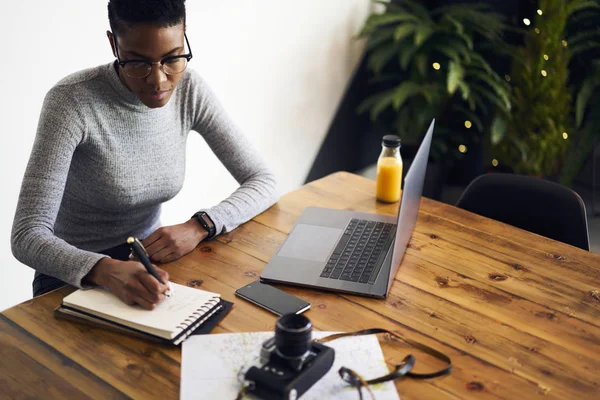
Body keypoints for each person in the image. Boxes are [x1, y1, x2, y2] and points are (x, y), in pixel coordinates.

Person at [11, 0, 278, 310]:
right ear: (114, 44)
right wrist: (106, 270)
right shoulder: (71, 102)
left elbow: (263, 181)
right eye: (138, 63)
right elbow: (27, 235)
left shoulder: (189, 89)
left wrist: (200, 225)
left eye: (172, 58)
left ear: (184, 35)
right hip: (70, 275)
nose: (159, 80)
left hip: (151, 263)